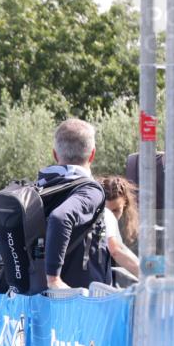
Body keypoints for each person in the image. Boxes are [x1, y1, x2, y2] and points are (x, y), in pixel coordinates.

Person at [39, 119, 109, 290]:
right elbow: (60, 217)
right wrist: (53, 279)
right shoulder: (89, 190)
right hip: (76, 303)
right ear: (92, 154)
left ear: (55, 154)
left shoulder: (41, 187)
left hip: (39, 297)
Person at [99, 175, 141, 280]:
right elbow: (116, 250)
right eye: (106, 210)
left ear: (125, 204)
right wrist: (150, 278)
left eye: (116, 210)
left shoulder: (129, 225)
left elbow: (121, 249)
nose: (111, 216)